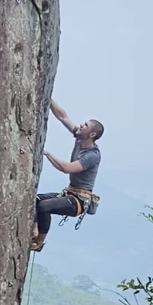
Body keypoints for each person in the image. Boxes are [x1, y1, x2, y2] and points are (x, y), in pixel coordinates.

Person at [31, 99, 103, 252]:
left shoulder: (92, 155)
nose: (81, 125)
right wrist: (48, 98)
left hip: (78, 201)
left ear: (92, 134)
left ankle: (39, 242)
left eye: (85, 126)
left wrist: (47, 153)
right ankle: (35, 230)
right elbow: (63, 117)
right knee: (36, 199)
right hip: (70, 192)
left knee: (44, 207)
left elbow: (66, 168)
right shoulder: (79, 138)